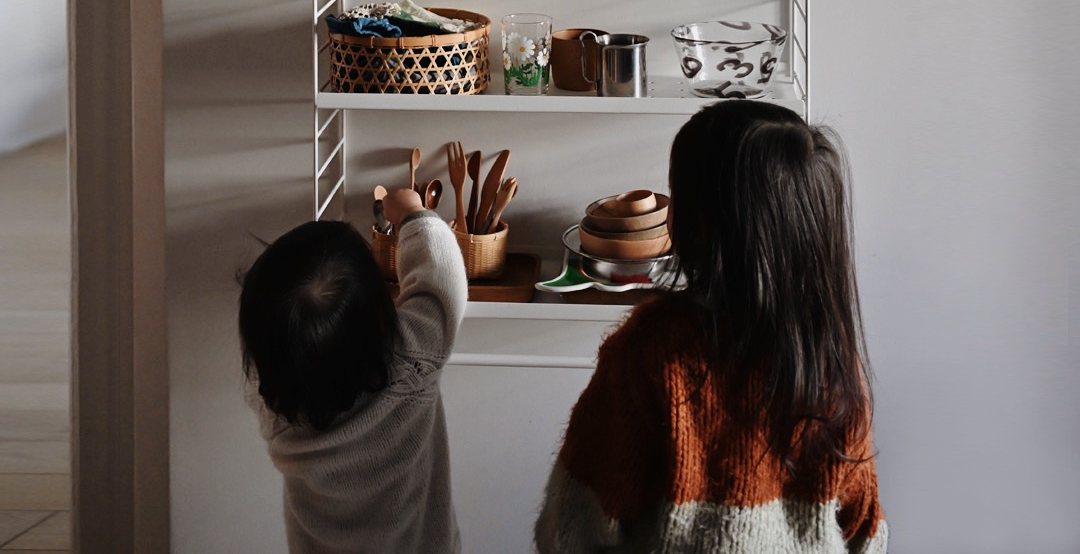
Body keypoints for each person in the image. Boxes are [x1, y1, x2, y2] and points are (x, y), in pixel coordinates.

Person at [535, 100, 887, 553]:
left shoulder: (650, 354)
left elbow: (568, 531)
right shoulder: (832, 361)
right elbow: (866, 535)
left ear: (699, 223)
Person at [238, 189, 467, 554]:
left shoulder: (273, 407)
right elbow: (441, 278)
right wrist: (412, 212)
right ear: (382, 316)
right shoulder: (414, 358)